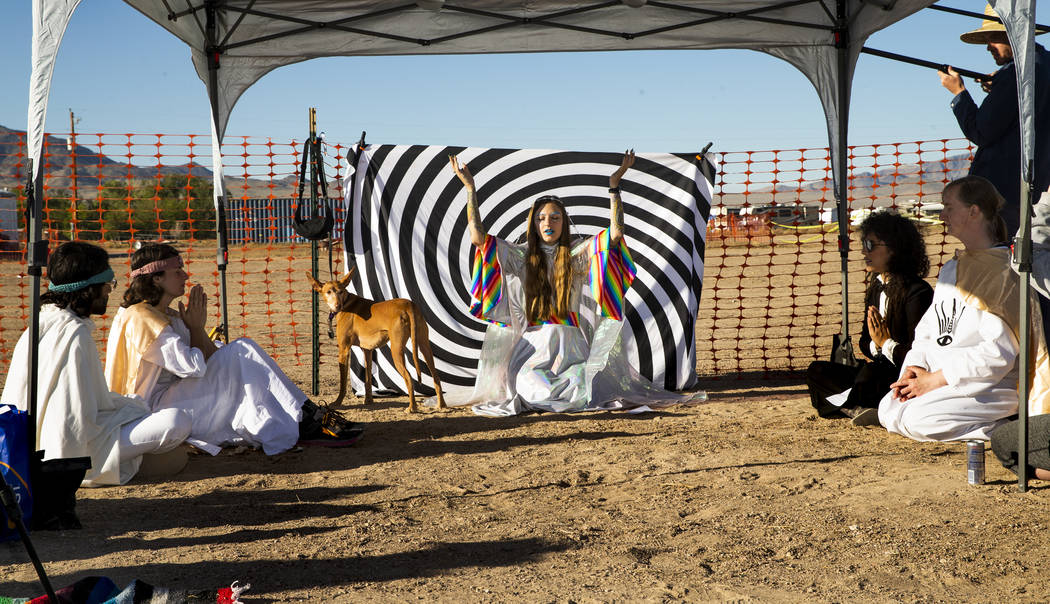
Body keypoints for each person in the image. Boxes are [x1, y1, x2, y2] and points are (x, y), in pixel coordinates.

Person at [447, 151, 698, 417]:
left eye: (555, 217)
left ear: (564, 222)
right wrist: (470, 188)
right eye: (542, 218)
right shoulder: (520, 257)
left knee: (582, 389)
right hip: (532, 349)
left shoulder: (577, 255)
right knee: (532, 389)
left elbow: (616, 235)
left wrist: (615, 186)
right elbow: (478, 238)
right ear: (533, 223)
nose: (548, 223)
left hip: (572, 350)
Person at [105, 243, 361, 453]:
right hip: (153, 409)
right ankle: (306, 418)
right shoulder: (142, 317)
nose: (185, 276)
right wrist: (196, 328)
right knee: (242, 350)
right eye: (177, 271)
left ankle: (303, 417)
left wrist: (198, 329)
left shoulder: (165, 314)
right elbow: (193, 367)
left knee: (240, 352)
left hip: (177, 395)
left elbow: (210, 355)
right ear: (157, 278)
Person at [1, 242, 191, 486]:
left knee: (138, 405)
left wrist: (130, 408)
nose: (109, 292)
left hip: (36, 442)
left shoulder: (44, 320)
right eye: (107, 285)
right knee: (176, 421)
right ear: (88, 289)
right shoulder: (73, 335)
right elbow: (71, 423)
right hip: (67, 453)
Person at [877, 176, 1050, 441]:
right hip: (939, 377)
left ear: (973, 211)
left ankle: (1003, 433)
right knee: (889, 410)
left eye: (948, 206)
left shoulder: (1007, 272)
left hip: (990, 383)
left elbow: (997, 354)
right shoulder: (951, 268)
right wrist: (915, 369)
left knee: (918, 419)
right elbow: (928, 332)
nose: (943, 214)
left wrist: (936, 380)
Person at [805, 211, 933, 423]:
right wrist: (876, 345)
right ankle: (858, 407)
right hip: (878, 368)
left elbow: (920, 356)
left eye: (871, 245)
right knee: (817, 371)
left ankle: (858, 406)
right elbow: (865, 342)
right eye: (864, 243)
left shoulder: (917, 292)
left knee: (870, 375)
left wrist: (886, 343)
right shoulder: (875, 287)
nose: (864, 251)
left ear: (894, 249)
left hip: (904, 375)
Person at [938, 3, 1050, 237]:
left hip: (1004, 194)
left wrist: (959, 94)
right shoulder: (1041, 64)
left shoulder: (1014, 75)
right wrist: (1000, 86)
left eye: (994, 37)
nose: (988, 46)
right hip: (1034, 187)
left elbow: (981, 131)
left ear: (1014, 34)